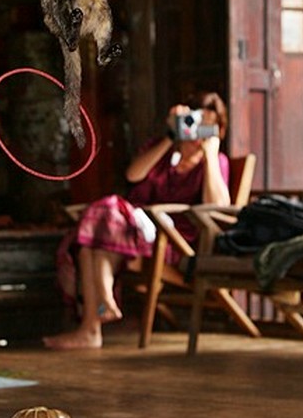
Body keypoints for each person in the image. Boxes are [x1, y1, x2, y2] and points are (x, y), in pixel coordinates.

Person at [43, 92, 231, 350]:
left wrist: (210, 155)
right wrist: (171, 138)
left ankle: (98, 315)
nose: (198, 136)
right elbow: (133, 175)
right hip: (130, 232)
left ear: (218, 132)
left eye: (208, 128)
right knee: (91, 243)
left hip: (172, 243)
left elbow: (218, 207)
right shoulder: (162, 151)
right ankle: (95, 322)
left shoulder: (216, 162)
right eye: (194, 125)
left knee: (101, 218)